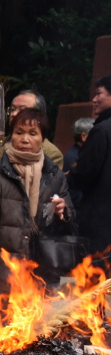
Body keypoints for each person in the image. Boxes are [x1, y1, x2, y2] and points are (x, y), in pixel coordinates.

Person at [0, 108, 74, 305]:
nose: (25, 139)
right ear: (11, 136)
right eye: (19, 133)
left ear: (43, 138)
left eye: (32, 133)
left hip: (39, 275)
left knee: (38, 333)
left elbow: (69, 221)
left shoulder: (55, 175)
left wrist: (63, 212)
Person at [68, 76, 111, 259]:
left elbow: (86, 172)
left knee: (96, 278)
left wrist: (70, 175)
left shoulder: (102, 130)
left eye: (98, 94)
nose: (94, 99)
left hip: (100, 219)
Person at [7, 90, 64, 169]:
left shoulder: (51, 154)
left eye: (22, 110)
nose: (14, 114)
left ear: (38, 114)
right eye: (13, 109)